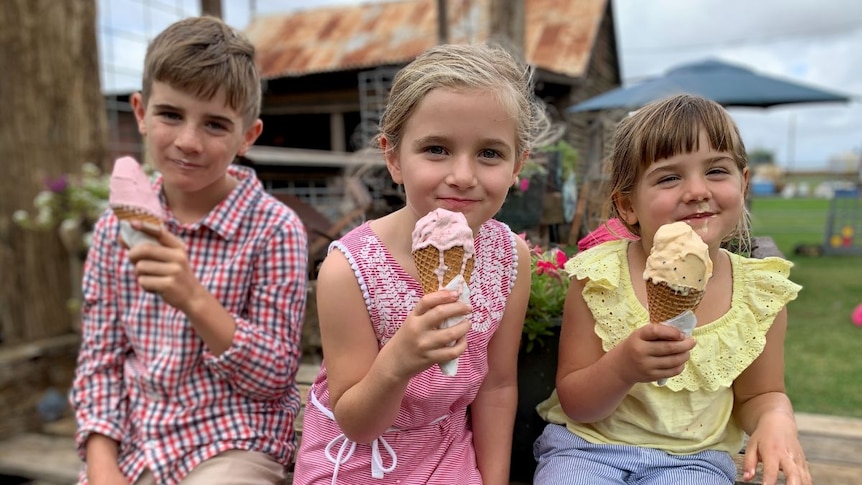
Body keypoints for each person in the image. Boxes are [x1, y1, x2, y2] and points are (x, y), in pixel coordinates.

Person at [292, 43, 554, 485]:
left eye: (490, 153)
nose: (463, 175)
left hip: (445, 450)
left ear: (517, 166)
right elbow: (356, 422)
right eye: (436, 149)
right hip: (356, 457)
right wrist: (398, 362)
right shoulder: (349, 268)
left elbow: (497, 386)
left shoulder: (512, 258)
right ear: (393, 158)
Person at [70, 16, 308, 485]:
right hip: (139, 446)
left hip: (234, 441)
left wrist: (193, 298)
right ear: (140, 111)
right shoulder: (113, 230)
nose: (188, 141)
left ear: (247, 137)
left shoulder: (274, 229)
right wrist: (102, 467)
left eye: (215, 124)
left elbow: (276, 377)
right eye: (170, 114)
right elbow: (99, 362)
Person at [533, 94, 811, 485]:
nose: (697, 190)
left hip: (693, 462)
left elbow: (758, 395)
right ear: (627, 205)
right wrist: (622, 368)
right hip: (586, 447)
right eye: (669, 177)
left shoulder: (757, 294)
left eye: (716, 171)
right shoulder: (599, 277)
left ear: (743, 184)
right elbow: (577, 404)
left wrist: (774, 418)